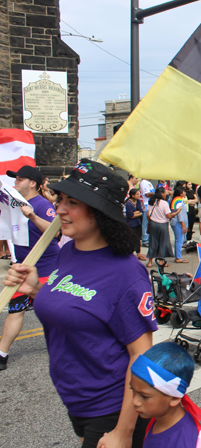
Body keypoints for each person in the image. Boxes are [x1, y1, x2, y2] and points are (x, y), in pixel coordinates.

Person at [3, 159, 158, 447]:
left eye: (72, 202)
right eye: (61, 198)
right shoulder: (69, 251)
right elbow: (77, 306)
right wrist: (35, 288)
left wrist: (123, 431)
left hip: (110, 406)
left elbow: (142, 356)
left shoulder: (126, 273)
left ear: (99, 212)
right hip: (75, 398)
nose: (59, 208)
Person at [0, 165, 59, 370]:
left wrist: (32, 216)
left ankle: (68, 347)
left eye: (19, 179)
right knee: (15, 311)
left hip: (46, 268)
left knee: (53, 312)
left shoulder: (42, 205)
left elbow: (55, 233)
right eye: (15, 179)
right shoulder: (15, 204)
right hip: (23, 267)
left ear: (32, 183)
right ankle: (1, 354)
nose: (15, 182)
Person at [130, 342, 201, 448]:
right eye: (132, 390)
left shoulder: (186, 442)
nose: (134, 402)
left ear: (174, 398)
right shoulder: (157, 418)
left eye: (144, 396)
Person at [147, 186, 179, 268]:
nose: (166, 194)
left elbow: (148, 214)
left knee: (153, 242)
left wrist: (150, 221)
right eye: (165, 192)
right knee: (163, 242)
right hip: (163, 225)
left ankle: (150, 261)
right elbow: (168, 215)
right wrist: (176, 212)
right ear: (161, 193)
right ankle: (161, 261)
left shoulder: (151, 201)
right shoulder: (164, 203)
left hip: (153, 224)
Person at [126, 188, 146, 261]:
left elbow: (141, 212)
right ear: (132, 195)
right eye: (137, 194)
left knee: (138, 238)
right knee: (131, 239)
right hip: (131, 224)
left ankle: (138, 253)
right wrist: (137, 213)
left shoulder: (138, 202)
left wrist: (136, 213)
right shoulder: (128, 203)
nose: (139, 195)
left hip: (138, 223)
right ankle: (130, 254)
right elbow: (130, 215)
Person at [170, 186, 189, 263]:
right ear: (180, 193)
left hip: (177, 223)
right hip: (178, 223)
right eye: (184, 191)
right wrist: (183, 225)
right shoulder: (179, 202)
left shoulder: (179, 200)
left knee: (178, 240)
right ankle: (178, 257)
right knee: (179, 240)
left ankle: (178, 256)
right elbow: (180, 215)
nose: (185, 193)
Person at [140, 178, 155, 246]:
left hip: (151, 205)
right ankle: (145, 240)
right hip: (146, 206)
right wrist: (156, 193)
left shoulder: (149, 183)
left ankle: (149, 239)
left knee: (150, 223)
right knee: (146, 224)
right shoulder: (143, 182)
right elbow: (147, 194)